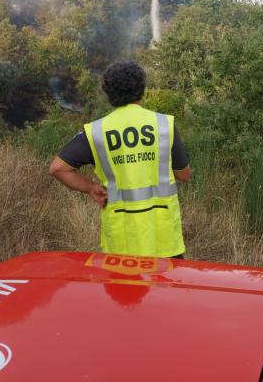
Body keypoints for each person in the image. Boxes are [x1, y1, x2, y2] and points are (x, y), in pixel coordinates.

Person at [49, 61, 192, 258]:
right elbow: (184, 174)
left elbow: (57, 168)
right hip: (163, 236)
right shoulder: (164, 124)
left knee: (124, 289)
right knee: (165, 288)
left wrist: (90, 188)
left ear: (109, 94)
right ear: (142, 89)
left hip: (121, 239)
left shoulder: (96, 131)